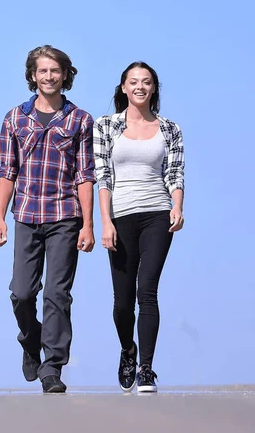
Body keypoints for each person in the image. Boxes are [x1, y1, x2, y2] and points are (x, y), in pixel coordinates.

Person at [0, 45, 96, 393]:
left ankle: (52, 367)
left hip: (65, 215)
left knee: (57, 293)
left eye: (55, 71)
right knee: (22, 293)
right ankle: (30, 339)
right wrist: (0, 219)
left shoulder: (80, 120)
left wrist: (88, 224)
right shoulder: (14, 119)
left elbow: (85, 174)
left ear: (65, 74)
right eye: (43, 71)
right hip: (25, 214)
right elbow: (7, 171)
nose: (49, 77)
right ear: (32, 76)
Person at [94, 61, 185, 393]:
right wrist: (104, 222)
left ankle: (146, 368)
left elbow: (174, 172)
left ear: (154, 88)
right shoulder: (106, 126)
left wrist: (177, 205)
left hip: (157, 214)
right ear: (123, 88)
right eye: (134, 82)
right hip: (120, 216)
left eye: (146, 82)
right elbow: (102, 177)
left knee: (147, 291)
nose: (140, 87)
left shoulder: (169, 129)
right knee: (122, 301)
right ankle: (128, 350)